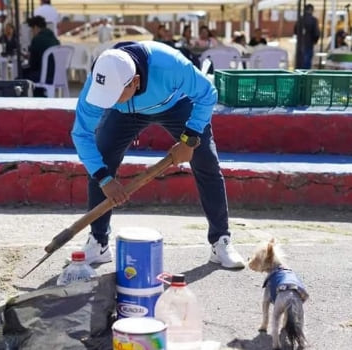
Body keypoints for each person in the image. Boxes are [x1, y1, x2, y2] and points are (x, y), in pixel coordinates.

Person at [71, 40, 246, 269]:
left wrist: (189, 139)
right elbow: (81, 133)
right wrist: (103, 178)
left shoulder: (169, 64)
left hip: (174, 104)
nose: (106, 100)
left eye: (113, 94)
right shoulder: (100, 81)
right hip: (123, 113)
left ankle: (221, 240)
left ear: (135, 81)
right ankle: (98, 242)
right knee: (100, 160)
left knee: (206, 161)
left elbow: (207, 94)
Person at [22, 15, 59, 96]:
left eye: (32, 29)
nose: (31, 32)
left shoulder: (37, 39)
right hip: (57, 75)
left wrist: (29, 56)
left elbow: (32, 64)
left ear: (35, 27)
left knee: (20, 78)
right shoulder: (54, 39)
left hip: (46, 76)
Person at [294, 4, 319, 69]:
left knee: (300, 61)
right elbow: (316, 33)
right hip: (309, 43)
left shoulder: (300, 19)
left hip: (300, 44)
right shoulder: (313, 20)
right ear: (311, 10)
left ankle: (300, 76)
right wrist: (315, 41)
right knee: (307, 62)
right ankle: (305, 77)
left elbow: (295, 31)